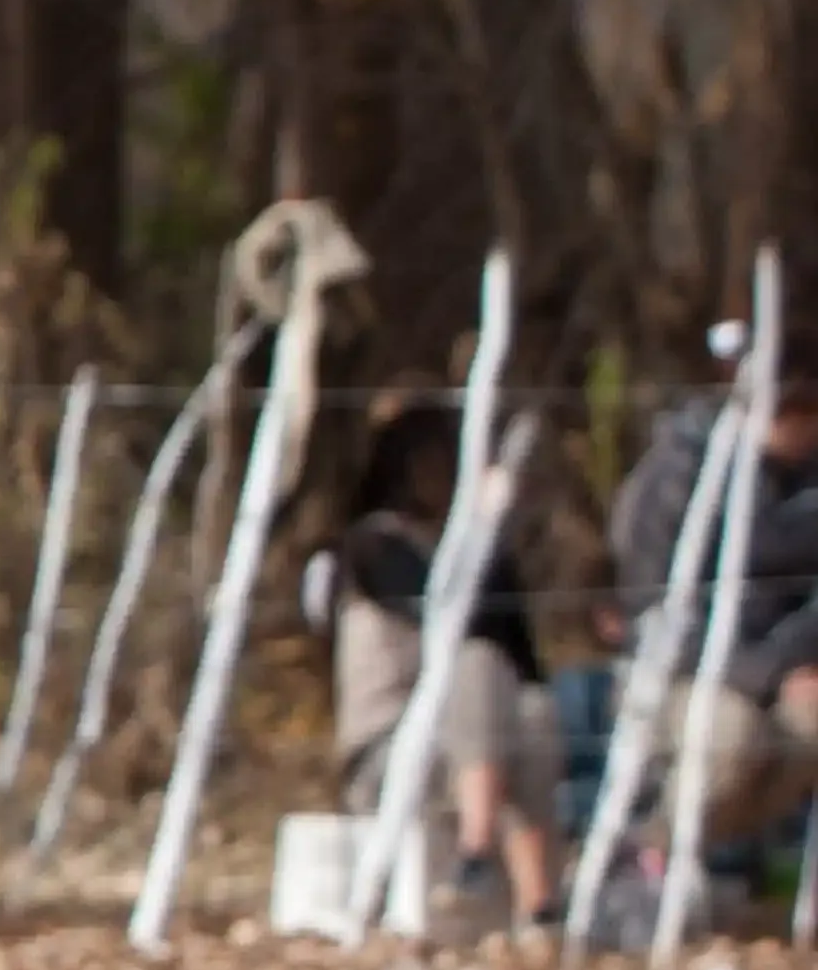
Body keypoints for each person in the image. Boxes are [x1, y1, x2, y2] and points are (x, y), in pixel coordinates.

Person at [315, 393, 560, 932]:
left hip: (470, 745)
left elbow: (521, 655)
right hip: (390, 749)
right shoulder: (374, 546)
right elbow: (451, 621)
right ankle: (474, 852)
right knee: (472, 663)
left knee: (535, 712)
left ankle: (539, 905)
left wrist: (491, 543)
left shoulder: (465, 545)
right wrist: (479, 533)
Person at [601, 353, 818, 881]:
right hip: (680, 674)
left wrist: (797, 665)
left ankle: (671, 854)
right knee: (733, 733)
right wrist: (763, 675)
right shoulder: (680, 477)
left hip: (780, 673)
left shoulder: (808, 480)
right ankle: (648, 855)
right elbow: (654, 615)